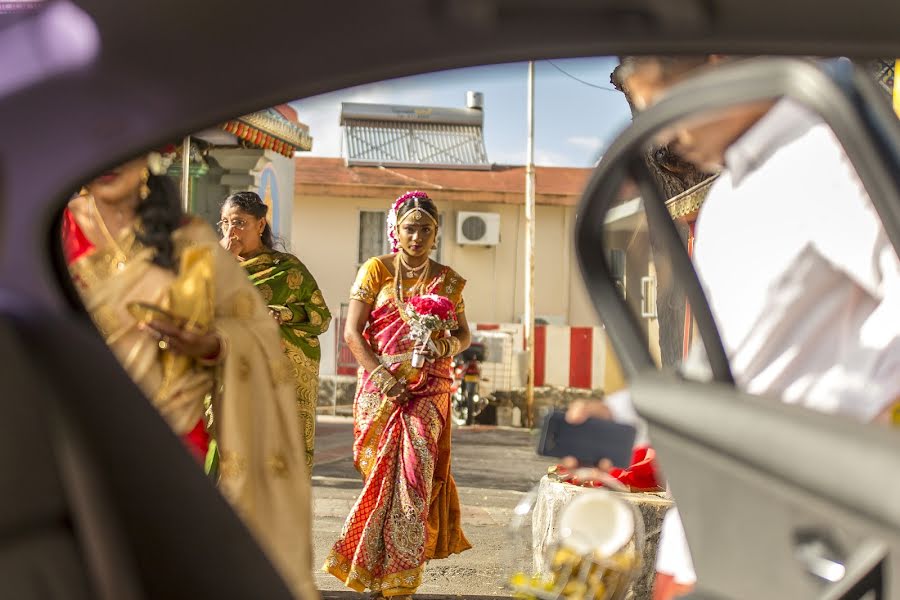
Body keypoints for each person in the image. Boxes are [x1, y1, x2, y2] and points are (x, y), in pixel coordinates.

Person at [572, 55, 900, 598]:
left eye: (670, 107)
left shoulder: (825, 157)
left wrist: (834, 419)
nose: (667, 137)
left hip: (804, 538)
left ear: (721, 64)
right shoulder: (730, 195)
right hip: (712, 530)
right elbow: (722, 364)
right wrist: (623, 416)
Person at [61, 153, 318, 599]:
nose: (109, 154)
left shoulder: (190, 241)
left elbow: (256, 329)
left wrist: (215, 344)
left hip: (172, 432)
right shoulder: (42, 228)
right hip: (72, 432)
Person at [324, 190, 472, 599]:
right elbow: (353, 333)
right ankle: (372, 570)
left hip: (429, 390)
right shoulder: (375, 271)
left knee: (414, 481)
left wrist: (445, 347)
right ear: (395, 230)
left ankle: (401, 579)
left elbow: (463, 334)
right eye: (410, 228)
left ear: (436, 232)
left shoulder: (448, 279)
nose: (418, 236)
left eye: (426, 229)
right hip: (381, 391)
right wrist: (383, 377)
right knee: (379, 482)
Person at [219, 191, 331, 470]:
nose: (231, 231)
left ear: (260, 225)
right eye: (224, 223)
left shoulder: (288, 270)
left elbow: (321, 317)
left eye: (239, 223)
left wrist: (285, 313)